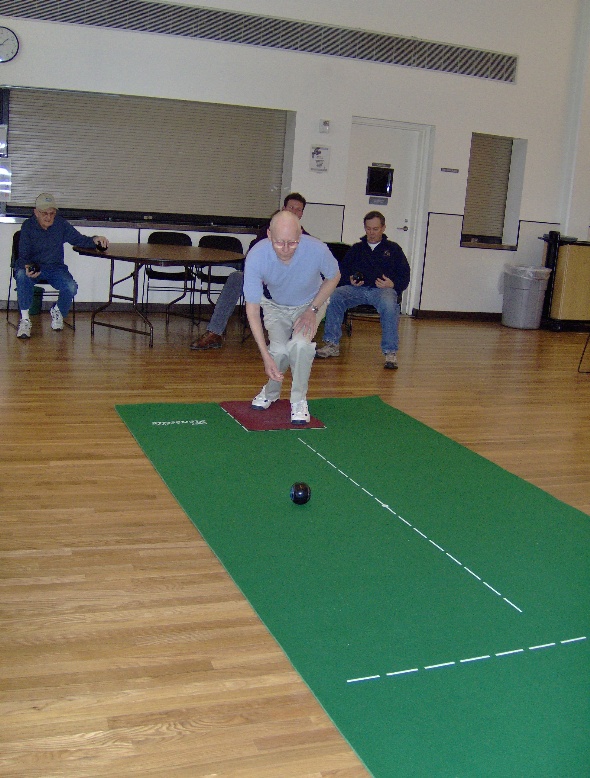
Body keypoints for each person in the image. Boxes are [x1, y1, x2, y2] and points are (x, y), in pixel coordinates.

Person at [244, 210, 340, 424]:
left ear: (300, 235)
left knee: (300, 345)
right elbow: (252, 309)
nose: (286, 249)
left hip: (310, 303)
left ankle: (298, 400)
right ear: (269, 235)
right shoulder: (256, 256)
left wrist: (312, 310)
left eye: (293, 243)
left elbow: (334, 277)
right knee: (277, 351)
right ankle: (270, 393)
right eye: (279, 243)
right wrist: (264, 355)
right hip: (275, 306)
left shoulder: (317, 249)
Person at [190, 192, 309, 351]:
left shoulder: (306, 239)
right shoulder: (267, 231)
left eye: (298, 209)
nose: (294, 211)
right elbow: (254, 257)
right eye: (291, 207)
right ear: (283, 209)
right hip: (262, 279)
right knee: (236, 278)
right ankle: (215, 333)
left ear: (301, 214)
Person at [315, 211, 410, 369]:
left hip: (383, 291)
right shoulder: (357, 249)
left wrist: (392, 284)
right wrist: (350, 280)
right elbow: (342, 272)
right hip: (357, 290)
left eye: (375, 229)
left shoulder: (394, 250)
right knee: (336, 295)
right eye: (368, 229)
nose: (371, 233)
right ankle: (331, 344)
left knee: (389, 304)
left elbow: (405, 275)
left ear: (383, 228)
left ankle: (390, 352)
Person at [14, 193, 109, 339]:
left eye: (52, 213)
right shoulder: (28, 226)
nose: (49, 217)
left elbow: (79, 239)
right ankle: (25, 319)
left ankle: (57, 310)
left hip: (55, 268)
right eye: (44, 213)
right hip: (34, 267)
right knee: (21, 275)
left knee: (71, 286)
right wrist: (28, 266)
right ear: (36, 212)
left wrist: (95, 239)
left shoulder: (60, 224)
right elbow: (23, 255)